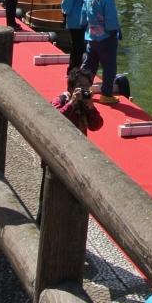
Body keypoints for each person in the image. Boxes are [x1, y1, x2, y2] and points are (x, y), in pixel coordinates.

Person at [37, 67, 103, 222]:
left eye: (87, 86)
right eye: (80, 86)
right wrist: (72, 103)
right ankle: (41, 224)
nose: (84, 89)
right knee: (49, 198)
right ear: (71, 88)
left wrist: (90, 106)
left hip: (78, 157)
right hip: (56, 156)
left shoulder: (86, 104)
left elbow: (97, 125)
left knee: (74, 201)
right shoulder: (61, 100)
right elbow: (54, 121)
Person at [81, 0, 123, 103]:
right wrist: (115, 32)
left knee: (89, 65)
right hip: (106, 38)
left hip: (91, 36)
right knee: (109, 67)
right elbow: (111, 20)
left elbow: (84, 15)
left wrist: (85, 27)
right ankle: (106, 94)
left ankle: (82, 90)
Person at [61, 0, 96, 69]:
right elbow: (66, 2)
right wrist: (65, 15)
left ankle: (77, 67)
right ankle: (72, 68)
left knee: (81, 47)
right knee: (77, 46)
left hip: (84, 21)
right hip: (75, 20)